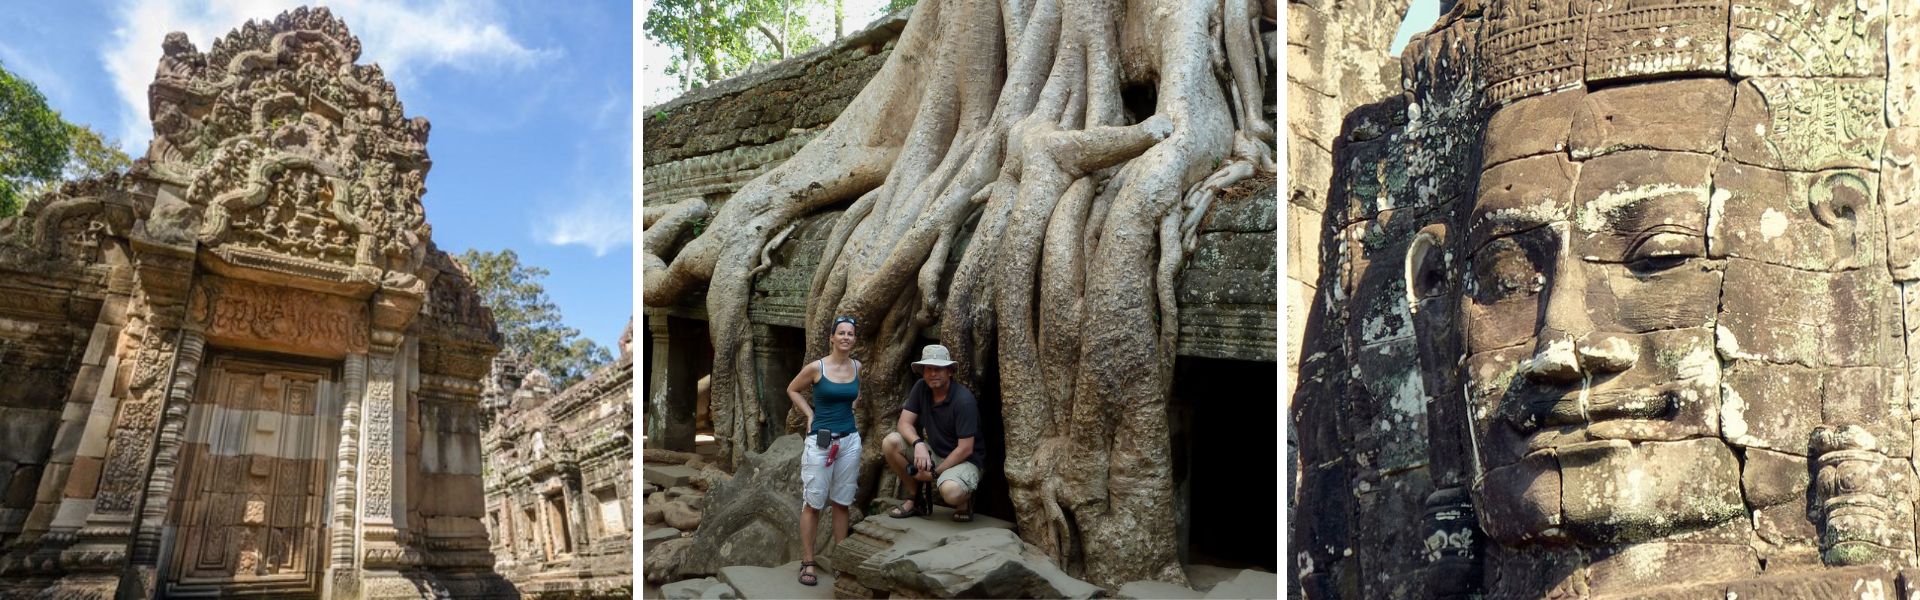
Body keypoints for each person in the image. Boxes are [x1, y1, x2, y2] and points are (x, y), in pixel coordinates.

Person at [785, 316, 861, 587]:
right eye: (840, 333)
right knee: (814, 502)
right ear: (831, 338)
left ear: (854, 339)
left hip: (849, 441)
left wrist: (850, 411)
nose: (845, 337)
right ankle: (808, 561)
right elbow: (792, 389)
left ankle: (840, 559)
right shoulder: (817, 368)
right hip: (821, 442)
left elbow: (855, 395)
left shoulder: (856, 366)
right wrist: (809, 414)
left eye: (850, 334)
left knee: (842, 502)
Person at [880, 344, 984, 522]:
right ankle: (915, 498)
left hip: (965, 460)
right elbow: (904, 423)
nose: (933, 374)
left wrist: (934, 474)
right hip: (936, 452)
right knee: (891, 442)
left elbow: (965, 449)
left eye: (938, 369)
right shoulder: (921, 388)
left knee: (951, 492)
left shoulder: (963, 400)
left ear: (950, 371)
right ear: (923, 371)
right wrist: (918, 444)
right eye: (929, 369)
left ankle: (965, 501)